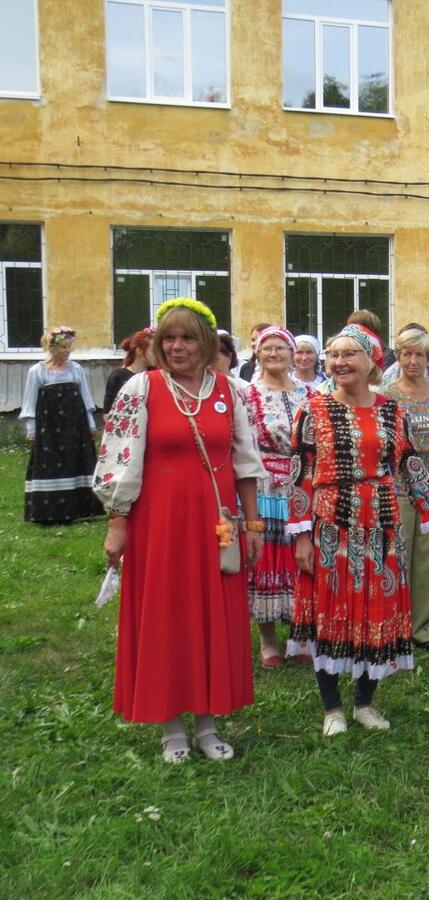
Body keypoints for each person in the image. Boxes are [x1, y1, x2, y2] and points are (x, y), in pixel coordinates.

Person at [94, 298, 267, 763]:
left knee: (215, 613)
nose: (176, 346)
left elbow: (247, 463)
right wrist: (117, 525)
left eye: (187, 337)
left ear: (206, 342)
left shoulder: (230, 392)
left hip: (218, 524)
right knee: (166, 616)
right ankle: (171, 727)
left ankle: (207, 723)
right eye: (168, 337)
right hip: (160, 525)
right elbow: (120, 461)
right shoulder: (141, 388)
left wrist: (252, 525)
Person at [289, 324, 429, 736]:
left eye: (349, 354)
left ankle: (365, 702)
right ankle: (332, 709)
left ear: (371, 362)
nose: (339, 362)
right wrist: (303, 536)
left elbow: (412, 469)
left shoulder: (391, 411)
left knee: (377, 609)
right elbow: (299, 476)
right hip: (331, 524)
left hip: (381, 521)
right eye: (333, 354)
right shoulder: (313, 410)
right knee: (331, 610)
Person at [242, 327, 319, 668]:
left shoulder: (312, 393)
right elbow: (241, 446)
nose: (274, 354)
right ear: (257, 354)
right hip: (265, 487)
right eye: (267, 349)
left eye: (280, 348)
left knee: (304, 559)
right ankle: (268, 639)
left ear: (292, 354)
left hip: (304, 486)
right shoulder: (247, 395)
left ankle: (302, 633)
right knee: (266, 561)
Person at [382, 328, 429, 650]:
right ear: (398, 357)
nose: (412, 361)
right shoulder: (386, 395)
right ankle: (396, 626)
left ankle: (425, 628)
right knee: (397, 557)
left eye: (419, 355)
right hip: (398, 487)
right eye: (406, 354)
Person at [21, 325, 104, 524]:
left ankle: (78, 509)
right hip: (49, 428)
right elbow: (29, 402)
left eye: (69, 347)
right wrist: (31, 429)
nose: (68, 351)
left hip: (75, 427)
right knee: (51, 466)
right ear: (52, 348)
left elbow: (86, 400)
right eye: (64, 347)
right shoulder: (38, 372)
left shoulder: (76, 370)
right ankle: (49, 512)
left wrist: (91, 426)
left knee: (76, 463)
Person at [104, 328, 155, 418]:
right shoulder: (118, 376)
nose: (157, 355)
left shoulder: (155, 376)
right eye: (153, 351)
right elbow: (108, 414)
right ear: (139, 351)